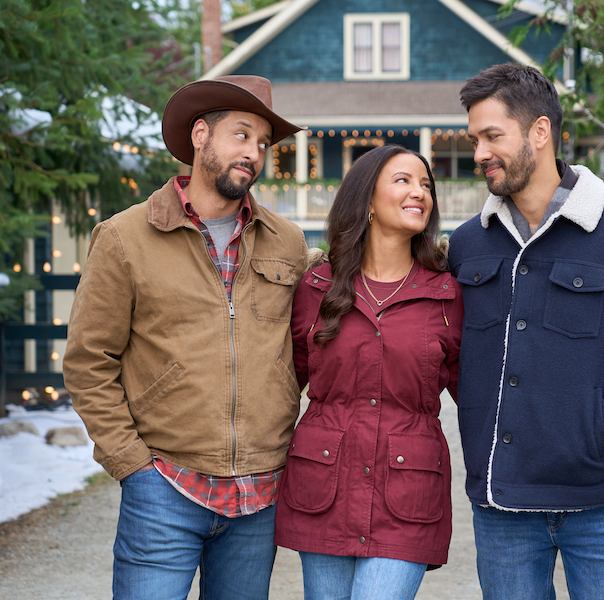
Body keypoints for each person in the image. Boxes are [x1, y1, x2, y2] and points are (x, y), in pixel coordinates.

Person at [448, 63, 604, 600]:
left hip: (599, 502)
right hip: (501, 503)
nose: (479, 154)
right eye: (475, 139)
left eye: (493, 136)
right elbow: (447, 350)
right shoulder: (469, 244)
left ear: (540, 132)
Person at [63, 75, 308, 600]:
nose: (255, 153)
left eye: (264, 144)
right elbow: (88, 362)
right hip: (165, 488)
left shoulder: (286, 241)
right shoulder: (124, 238)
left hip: (260, 495)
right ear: (201, 135)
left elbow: (301, 345)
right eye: (241, 135)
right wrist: (132, 465)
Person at [274, 144, 463, 600]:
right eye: (403, 180)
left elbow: (474, 396)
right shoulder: (316, 286)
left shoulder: (446, 293)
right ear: (367, 199)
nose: (420, 191)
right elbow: (282, 385)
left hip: (409, 493)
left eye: (426, 184)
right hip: (323, 488)